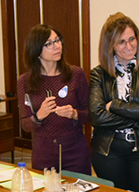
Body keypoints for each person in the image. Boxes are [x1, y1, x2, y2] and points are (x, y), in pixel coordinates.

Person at [89, 13, 139, 192]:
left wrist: (114, 105)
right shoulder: (98, 74)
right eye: (121, 42)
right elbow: (97, 117)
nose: (129, 46)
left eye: (132, 39)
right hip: (109, 151)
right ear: (111, 45)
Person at [18, 24, 90, 174]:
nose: (57, 46)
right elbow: (25, 124)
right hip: (44, 150)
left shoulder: (76, 74)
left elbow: (90, 113)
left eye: (57, 40)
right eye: (49, 44)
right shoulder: (25, 81)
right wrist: (39, 116)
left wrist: (74, 114)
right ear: (36, 50)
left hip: (75, 148)